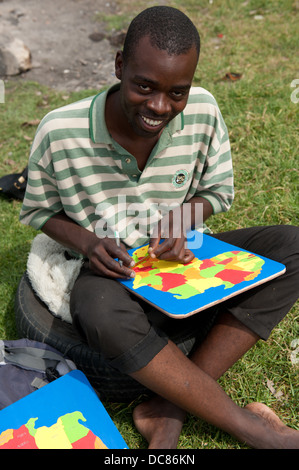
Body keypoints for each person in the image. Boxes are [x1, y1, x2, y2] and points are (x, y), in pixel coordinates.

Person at [20, 6, 299, 449]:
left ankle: (167, 407)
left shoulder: (203, 111)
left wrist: (187, 217)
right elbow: (38, 212)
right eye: (144, 87)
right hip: (113, 271)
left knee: (292, 247)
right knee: (94, 308)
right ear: (118, 66)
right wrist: (89, 243)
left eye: (177, 93)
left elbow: (218, 191)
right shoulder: (61, 131)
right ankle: (247, 427)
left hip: (177, 260)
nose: (159, 107)